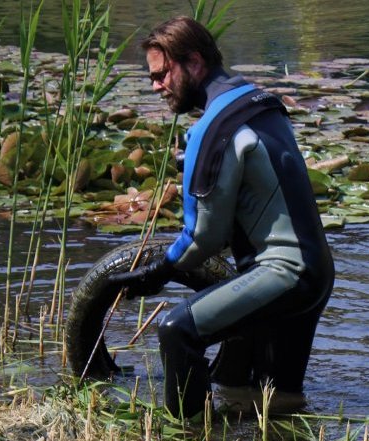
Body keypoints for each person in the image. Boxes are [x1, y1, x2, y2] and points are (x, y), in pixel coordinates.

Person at [110, 16, 335, 419]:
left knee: (177, 331)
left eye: (161, 75)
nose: (155, 86)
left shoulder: (212, 130)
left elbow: (203, 236)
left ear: (193, 62)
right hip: (316, 270)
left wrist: (158, 272)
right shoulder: (259, 101)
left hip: (284, 274)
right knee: (276, 400)